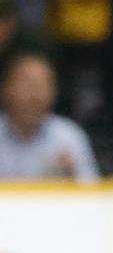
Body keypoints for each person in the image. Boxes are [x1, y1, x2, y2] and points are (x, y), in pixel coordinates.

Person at [0, 52, 98, 181]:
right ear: (5, 89)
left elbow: (93, 192)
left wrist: (72, 175)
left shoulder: (69, 137)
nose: (35, 96)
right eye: (28, 85)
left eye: (42, 86)